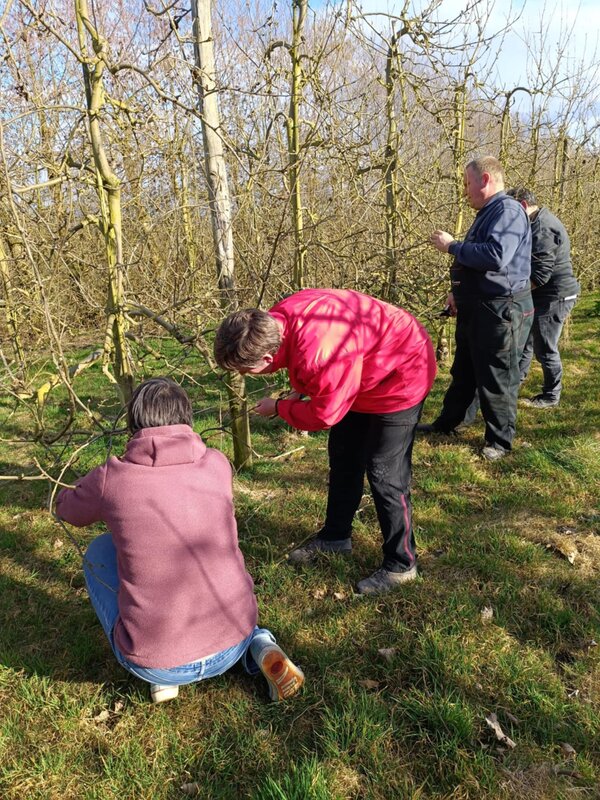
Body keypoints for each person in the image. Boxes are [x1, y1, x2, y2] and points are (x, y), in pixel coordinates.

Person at [56, 378, 304, 704]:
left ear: (134, 423)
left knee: (101, 549)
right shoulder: (217, 464)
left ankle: (164, 672)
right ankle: (258, 644)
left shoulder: (112, 478)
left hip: (155, 663)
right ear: (187, 419)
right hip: (233, 638)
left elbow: (65, 509)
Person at [214, 289, 437, 596]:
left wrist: (280, 408)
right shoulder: (279, 319)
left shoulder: (321, 352)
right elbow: (312, 372)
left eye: (243, 370)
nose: (242, 374)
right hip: (357, 376)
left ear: (266, 358)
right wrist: (300, 390)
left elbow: (325, 414)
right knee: (344, 458)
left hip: (402, 373)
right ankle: (335, 538)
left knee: (385, 473)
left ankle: (402, 565)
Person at [423, 155, 534, 461]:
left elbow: (495, 256)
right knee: (465, 371)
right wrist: (457, 292)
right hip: (477, 307)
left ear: (484, 180)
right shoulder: (489, 212)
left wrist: (452, 246)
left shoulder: (508, 210)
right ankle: (450, 423)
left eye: (467, 182)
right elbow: (477, 265)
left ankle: (500, 441)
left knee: (497, 376)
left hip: (500, 311)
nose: (465, 190)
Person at [506, 187, 580, 408]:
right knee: (526, 342)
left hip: (556, 296)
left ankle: (551, 396)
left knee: (545, 347)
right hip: (543, 294)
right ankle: (514, 383)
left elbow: (540, 275)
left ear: (523, 206)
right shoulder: (535, 223)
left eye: (512, 211)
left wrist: (512, 294)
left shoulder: (543, 229)